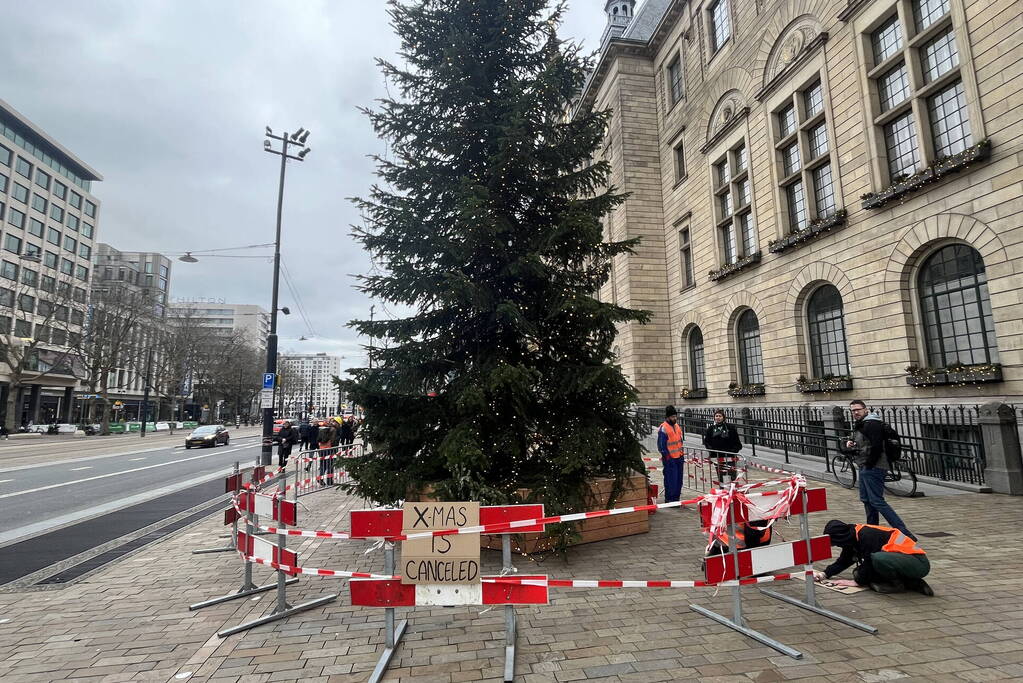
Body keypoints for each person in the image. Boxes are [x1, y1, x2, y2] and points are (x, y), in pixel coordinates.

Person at [844, 400, 915, 539]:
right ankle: (872, 530)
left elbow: (876, 446)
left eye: (858, 409)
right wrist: (851, 443)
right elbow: (865, 443)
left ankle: (904, 532)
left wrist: (869, 464)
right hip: (864, 465)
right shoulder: (862, 424)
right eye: (853, 410)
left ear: (866, 409)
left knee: (876, 500)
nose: (855, 412)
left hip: (874, 466)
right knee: (866, 499)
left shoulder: (872, 424)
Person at [815, 519, 933, 595]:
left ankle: (897, 585)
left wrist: (857, 581)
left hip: (918, 562)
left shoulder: (867, 536)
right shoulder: (853, 536)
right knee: (861, 571)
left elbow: (870, 561)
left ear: (841, 538)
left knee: (875, 561)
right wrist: (825, 574)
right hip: (906, 561)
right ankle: (913, 582)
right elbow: (844, 560)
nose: (837, 545)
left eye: (836, 543)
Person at [702, 409, 742, 483]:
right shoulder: (711, 429)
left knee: (731, 474)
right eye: (716, 416)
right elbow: (707, 441)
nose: (718, 417)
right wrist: (712, 450)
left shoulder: (730, 428)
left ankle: (732, 491)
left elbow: (737, 443)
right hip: (717, 456)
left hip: (729, 456)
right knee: (721, 475)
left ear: (723, 417)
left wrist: (732, 451)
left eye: (720, 416)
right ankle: (723, 490)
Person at [657, 405, 684, 505]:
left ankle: (676, 498)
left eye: (675, 416)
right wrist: (667, 456)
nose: (675, 418)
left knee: (678, 480)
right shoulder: (663, 428)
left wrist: (681, 455)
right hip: (670, 459)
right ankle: (670, 499)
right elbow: (661, 446)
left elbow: (680, 441)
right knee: (671, 479)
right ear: (667, 417)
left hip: (679, 457)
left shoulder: (677, 426)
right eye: (672, 417)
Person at [317, 420, 336, 485]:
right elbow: (333, 440)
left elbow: (318, 439)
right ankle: (329, 481)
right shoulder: (331, 430)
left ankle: (320, 478)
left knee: (323, 465)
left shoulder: (320, 430)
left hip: (321, 449)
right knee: (330, 465)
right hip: (329, 449)